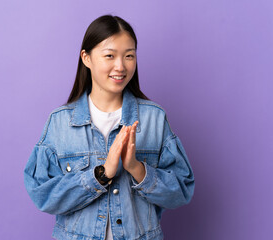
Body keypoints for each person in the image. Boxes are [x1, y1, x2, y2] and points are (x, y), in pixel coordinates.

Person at [23, 14, 195, 240]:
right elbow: (43, 195)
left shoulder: (154, 118)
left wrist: (136, 168)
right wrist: (101, 175)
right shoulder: (60, 122)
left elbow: (181, 191)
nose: (120, 66)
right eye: (109, 56)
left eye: (129, 56)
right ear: (86, 58)